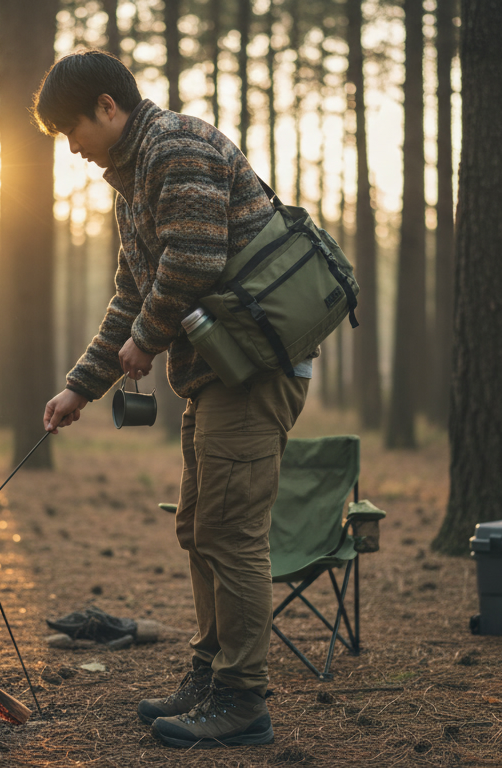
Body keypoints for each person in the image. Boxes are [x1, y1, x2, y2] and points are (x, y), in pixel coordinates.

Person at [35, 50, 310, 749]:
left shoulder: (177, 148)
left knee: (232, 535)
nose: (71, 149)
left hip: (253, 371)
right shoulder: (133, 180)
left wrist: (147, 342)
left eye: (72, 131)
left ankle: (242, 701)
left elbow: (195, 258)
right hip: (217, 375)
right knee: (199, 528)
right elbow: (133, 294)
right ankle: (209, 674)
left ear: (107, 106)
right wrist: (80, 387)